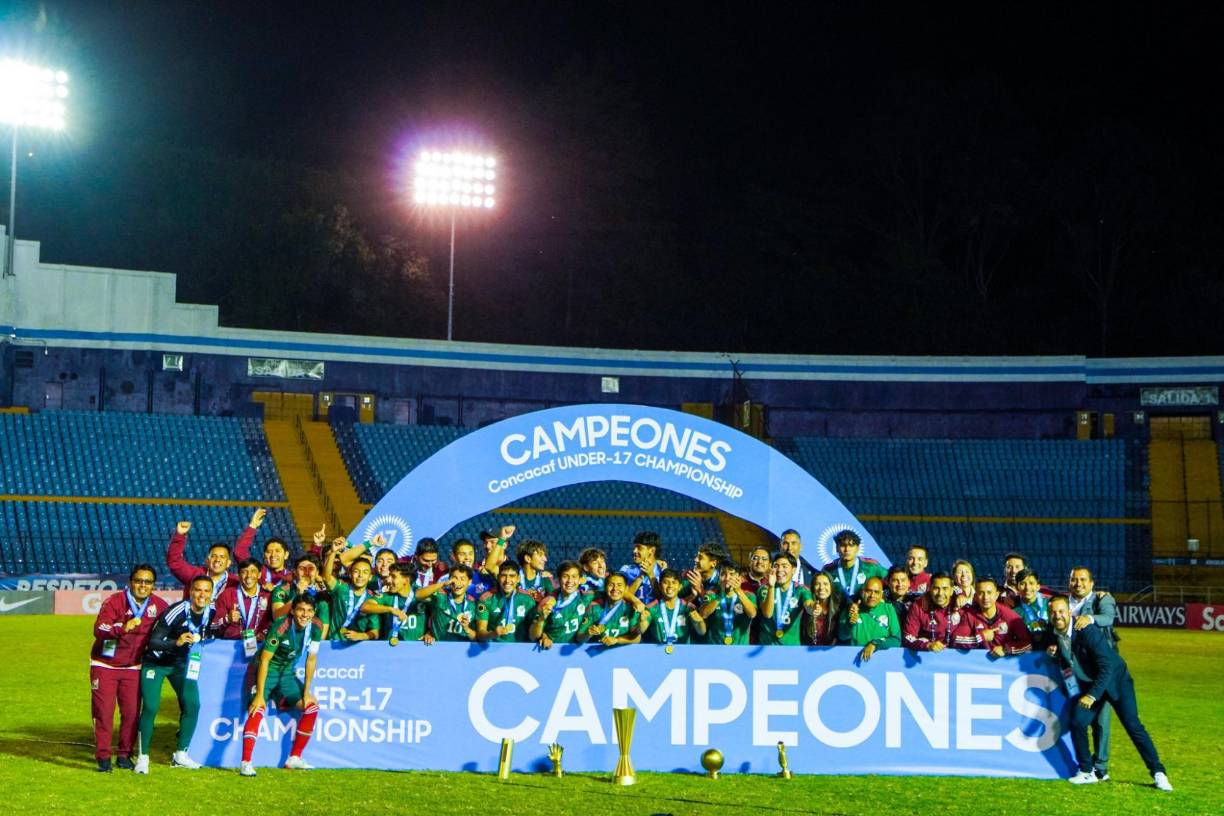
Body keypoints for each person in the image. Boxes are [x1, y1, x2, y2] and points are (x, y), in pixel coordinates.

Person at [1042, 596, 1172, 791]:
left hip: (1115, 681)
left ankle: (1158, 773)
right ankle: (1086, 771)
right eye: (1053, 612)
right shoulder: (1051, 632)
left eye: (1061, 611)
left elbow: (1107, 666)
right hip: (1089, 684)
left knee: (1132, 725)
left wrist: (1092, 695)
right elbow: (1057, 651)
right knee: (1078, 721)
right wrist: (1052, 652)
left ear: (1070, 613)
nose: (1057, 616)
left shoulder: (1086, 630)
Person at [90, 564, 169, 772]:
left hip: (133, 667)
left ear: (153, 585)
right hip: (105, 665)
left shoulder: (158, 606)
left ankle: (124, 755)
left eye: (148, 582)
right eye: (139, 581)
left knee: (132, 713)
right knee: (104, 713)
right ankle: (104, 757)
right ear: (131, 582)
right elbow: (99, 629)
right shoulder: (115, 601)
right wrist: (121, 628)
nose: (143, 585)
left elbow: (171, 627)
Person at [134, 575, 214, 773]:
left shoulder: (211, 612)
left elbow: (211, 632)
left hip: (180, 664)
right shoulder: (176, 611)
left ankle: (181, 755)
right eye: (197, 590)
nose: (201, 595)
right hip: (156, 663)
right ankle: (143, 757)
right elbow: (152, 642)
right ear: (190, 592)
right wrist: (175, 643)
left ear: (211, 594)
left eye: (206, 591)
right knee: (151, 707)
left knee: (193, 704)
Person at [238, 595, 323, 776]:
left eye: (309, 611)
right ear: (292, 610)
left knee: (311, 706)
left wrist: (306, 692)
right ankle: (246, 762)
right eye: (300, 610)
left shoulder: (316, 626)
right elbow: (265, 659)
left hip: (287, 675)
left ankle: (294, 758)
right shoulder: (281, 626)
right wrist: (260, 694)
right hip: (266, 671)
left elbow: (311, 659)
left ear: (314, 613)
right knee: (257, 707)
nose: (304, 615)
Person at [1067, 565, 1119, 779]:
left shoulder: (1101, 599)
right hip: (1073, 668)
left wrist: (1090, 619)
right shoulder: (1064, 602)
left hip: (1099, 667)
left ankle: (1101, 766)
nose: (1077, 583)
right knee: (1075, 713)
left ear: (1091, 583)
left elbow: (1109, 618)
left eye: (1082, 580)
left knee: (1100, 718)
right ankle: (1082, 761)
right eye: (1074, 580)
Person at [165, 509, 265, 600]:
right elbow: (174, 562)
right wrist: (180, 535)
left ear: (228, 563)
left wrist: (252, 527)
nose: (217, 559)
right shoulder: (195, 575)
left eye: (222, 557)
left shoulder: (234, 582)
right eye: (213, 556)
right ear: (207, 560)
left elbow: (241, 554)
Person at [321, 539, 379, 642]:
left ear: (370, 577)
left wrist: (362, 636)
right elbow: (326, 578)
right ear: (350, 574)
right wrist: (333, 552)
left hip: (357, 649)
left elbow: (375, 632)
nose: (360, 575)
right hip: (334, 644)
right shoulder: (341, 589)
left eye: (365, 572)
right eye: (356, 571)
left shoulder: (372, 600)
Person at [902, 573, 978, 651]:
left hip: (956, 658)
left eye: (945, 589)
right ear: (930, 589)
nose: (940, 593)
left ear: (951, 591)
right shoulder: (918, 607)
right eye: (936, 588)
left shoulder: (961, 606)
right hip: (927, 657)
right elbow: (908, 637)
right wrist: (927, 645)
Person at [530, 561, 595, 649]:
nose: (570, 581)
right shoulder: (548, 602)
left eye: (574, 576)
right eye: (565, 576)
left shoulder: (587, 597)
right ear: (559, 579)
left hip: (577, 653)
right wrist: (543, 633)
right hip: (552, 652)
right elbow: (533, 636)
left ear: (580, 580)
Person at [212, 558, 272, 647]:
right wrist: (227, 619)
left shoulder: (268, 595)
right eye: (244, 572)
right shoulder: (227, 594)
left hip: (259, 645)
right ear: (239, 575)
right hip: (231, 646)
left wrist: (265, 633)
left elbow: (276, 622)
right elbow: (213, 627)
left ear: (259, 574)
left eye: (253, 571)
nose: (248, 575)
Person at [757, 552, 815, 646]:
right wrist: (771, 586)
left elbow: (809, 605)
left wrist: (814, 607)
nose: (780, 570)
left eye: (784, 566)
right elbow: (767, 614)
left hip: (791, 649)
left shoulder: (801, 590)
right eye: (776, 566)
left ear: (793, 570)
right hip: (767, 647)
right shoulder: (764, 589)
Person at [965, 577, 1031, 657]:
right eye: (981, 593)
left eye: (989, 592)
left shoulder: (1010, 616)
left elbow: (1028, 644)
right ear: (975, 596)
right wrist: (981, 637)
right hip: (975, 665)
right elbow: (956, 639)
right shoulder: (968, 614)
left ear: (996, 595)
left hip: (1003, 667)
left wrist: (1006, 649)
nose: (985, 597)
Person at [838, 577, 900, 662]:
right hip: (855, 661)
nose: (872, 595)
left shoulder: (888, 609)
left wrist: (875, 644)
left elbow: (896, 640)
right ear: (862, 592)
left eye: (876, 592)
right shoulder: (852, 608)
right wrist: (849, 624)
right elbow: (842, 637)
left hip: (883, 662)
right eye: (868, 591)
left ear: (881, 594)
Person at [642, 568, 706, 649]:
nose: (670, 586)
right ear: (659, 586)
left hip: (683, 654)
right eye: (666, 582)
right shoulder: (652, 608)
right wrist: (642, 621)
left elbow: (702, 632)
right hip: (657, 653)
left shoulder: (689, 608)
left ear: (680, 586)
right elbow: (641, 630)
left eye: (674, 582)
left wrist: (700, 622)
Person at [476, 561, 539, 643]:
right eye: (503, 576)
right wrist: (493, 633)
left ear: (518, 579)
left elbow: (534, 630)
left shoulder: (527, 599)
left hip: (521, 648)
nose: (507, 580)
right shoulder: (486, 599)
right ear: (498, 577)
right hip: (494, 649)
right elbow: (480, 634)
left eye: (512, 576)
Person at [699, 560, 757, 645]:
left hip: (740, 649)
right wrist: (720, 595)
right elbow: (703, 614)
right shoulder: (711, 595)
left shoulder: (749, 596)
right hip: (716, 649)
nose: (727, 578)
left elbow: (752, 614)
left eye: (731, 574)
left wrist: (738, 591)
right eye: (723, 574)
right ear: (719, 577)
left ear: (739, 577)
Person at [821, 529, 887, 602]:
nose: (847, 549)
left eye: (851, 545)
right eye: (843, 545)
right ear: (836, 548)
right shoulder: (828, 570)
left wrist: (882, 597)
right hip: (837, 612)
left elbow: (891, 579)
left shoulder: (871, 567)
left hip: (863, 612)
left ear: (858, 548)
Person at [581, 573, 645, 647]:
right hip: (594, 653)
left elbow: (637, 639)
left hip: (622, 654)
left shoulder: (631, 610)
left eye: (619, 585)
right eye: (611, 585)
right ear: (605, 587)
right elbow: (580, 638)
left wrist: (617, 640)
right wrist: (588, 634)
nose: (615, 589)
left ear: (626, 588)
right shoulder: (594, 608)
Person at [270, 554, 330, 630]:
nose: (306, 572)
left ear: (317, 573)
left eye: (311, 569)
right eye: (302, 569)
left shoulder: (321, 596)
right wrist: (297, 595)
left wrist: (316, 642)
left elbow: (324, 626)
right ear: (295, 571)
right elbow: (277, 617)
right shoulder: (282, 590)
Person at [421, 564, 477, 643]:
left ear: (470, 582)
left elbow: (478, 638)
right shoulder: (439, 596)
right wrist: (428, 632)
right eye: (454, 578)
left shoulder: (473, 604)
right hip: (439, 650)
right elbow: (418, 595)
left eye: (462, 579)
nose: (457, 582)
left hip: (462, 652)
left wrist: (467, 629)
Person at [619, 531, 666, 604]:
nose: (634, 551)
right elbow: (621, 597)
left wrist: (650, 574)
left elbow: (663, 599)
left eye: (639, 548)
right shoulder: (626, 570)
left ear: (652, 550)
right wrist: (640, 577)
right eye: (634, 547)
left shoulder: (663, 571)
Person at [803, 571, 843, 646]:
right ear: (813, 588)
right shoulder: (808, 608)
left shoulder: (839, 609)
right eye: (817, 584)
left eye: (825, 584)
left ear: (831, 587)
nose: (821, 588)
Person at [1012, 569, 1050, 634]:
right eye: (1022, 584)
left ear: (1038, 586)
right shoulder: (1015, 612)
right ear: (1017, 587)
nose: (1027, 588)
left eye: (1031, 583)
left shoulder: (1049, 604)